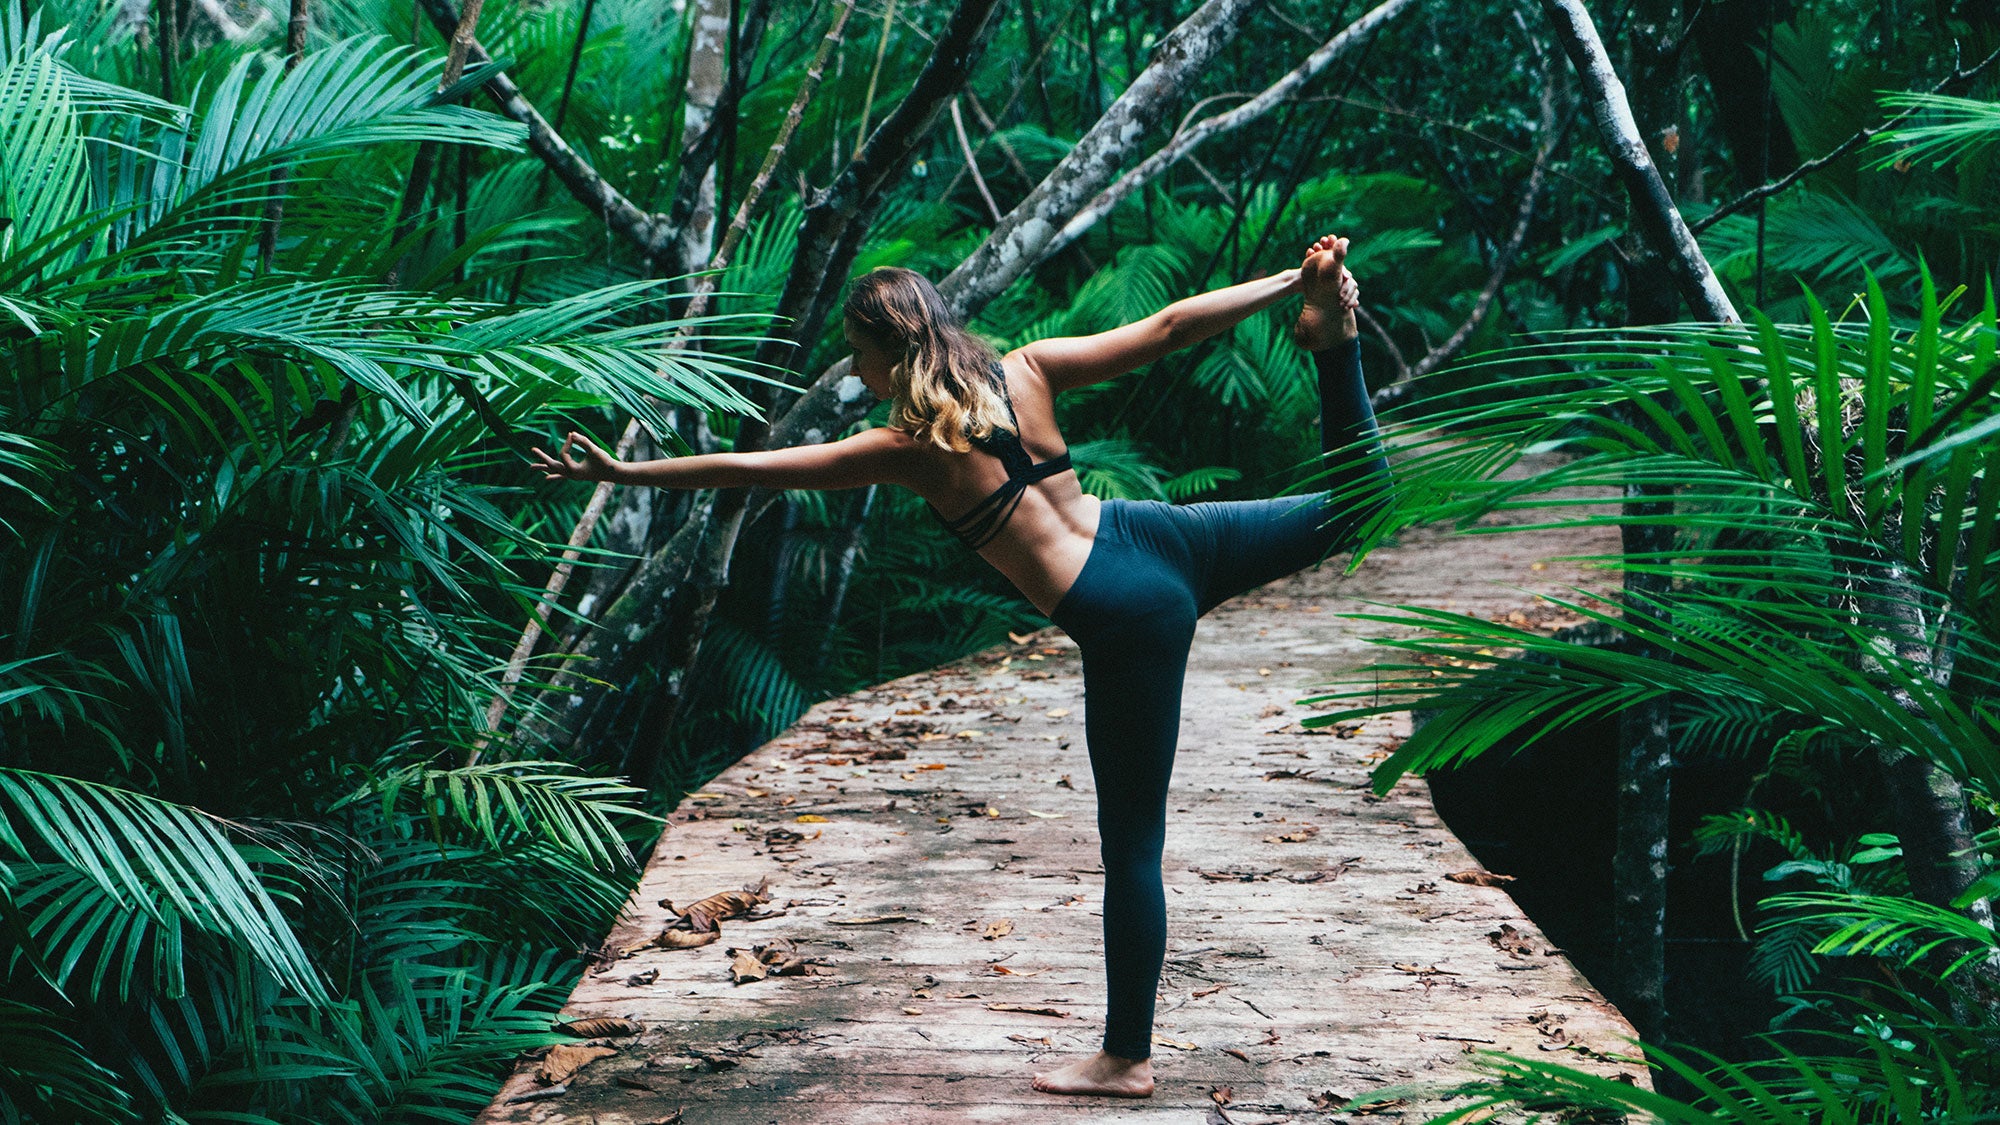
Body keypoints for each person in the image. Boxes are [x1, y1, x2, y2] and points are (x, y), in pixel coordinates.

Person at [531, 235, 1389, 1098]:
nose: (856, 372)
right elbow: (1167, 326)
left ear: (895, 347)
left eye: (860, 355)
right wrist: (1288, 281)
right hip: (1158, 537)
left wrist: (623, 468)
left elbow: (756, 470)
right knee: (1362, 501)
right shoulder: (1030, 369)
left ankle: (1126, 1057)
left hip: (1126, 613)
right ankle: (1335, 343)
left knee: (1133, 845)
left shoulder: (907, 450)